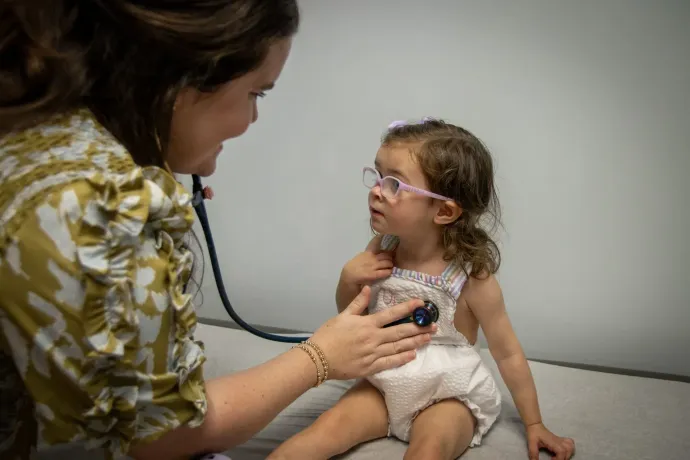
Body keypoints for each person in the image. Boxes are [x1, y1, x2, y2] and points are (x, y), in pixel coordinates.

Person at [0, 2, 436, 459]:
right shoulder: (98, 210)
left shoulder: (41, 138)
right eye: (256, 94)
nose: (251, 120)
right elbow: (162, 438)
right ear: (180, 78)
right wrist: (320, 357)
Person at [269, 118, 576, 460]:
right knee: (321, 434)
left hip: (447, 393)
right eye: (377, 175)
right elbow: (351, 316)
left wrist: (534, 424)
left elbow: (508, 353)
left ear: (444, 211)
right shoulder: (382, 247)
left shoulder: (471, 277)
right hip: (383, 381)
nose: (376, 190)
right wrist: (348, 280)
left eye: (394, 185)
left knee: (429, 451)